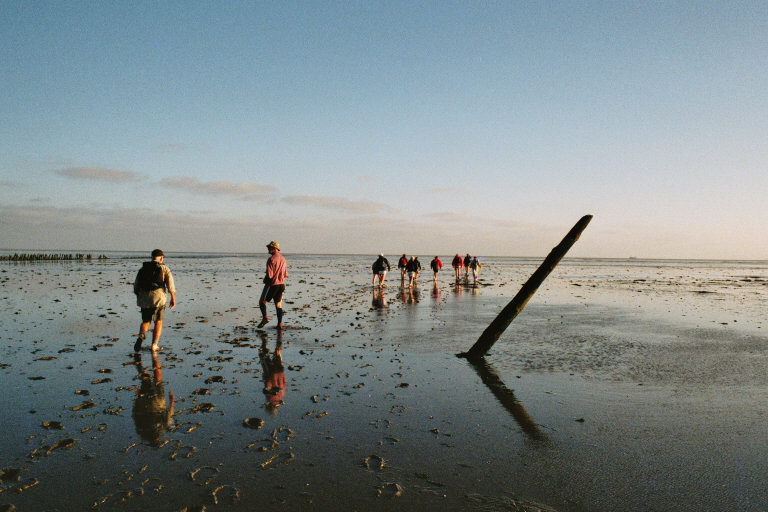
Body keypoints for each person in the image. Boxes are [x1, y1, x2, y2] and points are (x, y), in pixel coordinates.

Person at [134, 249, 176, 352]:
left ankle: (141, 335)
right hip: (158, 297)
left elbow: (136, 286)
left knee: (146, 321)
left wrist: (139, 296)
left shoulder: (142, 269)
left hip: (144, 298)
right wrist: (172, 298)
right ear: (161, 258)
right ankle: (154, 345)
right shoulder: (164, 268)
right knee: (158, 321)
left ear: (152, 257)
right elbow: (170, 285)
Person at [131, 351, 174, 445]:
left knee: (148, 378)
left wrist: (137, 399)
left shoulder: (142, 430)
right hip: (158, 402)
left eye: (156, 438)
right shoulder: (163, 428)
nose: (157, 436)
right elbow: (169, 414)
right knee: (156, 376)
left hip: (147, 403)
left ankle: (140, 360)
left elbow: (135, 415)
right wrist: (171, 400)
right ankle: (152, 357)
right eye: (158, 438)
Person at [258, 241, 287, 329]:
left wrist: (265, 280)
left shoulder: (271, 259)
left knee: (262, 301)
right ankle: (279, 325)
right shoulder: (283, 259)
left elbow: (270, 275)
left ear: (274, 249)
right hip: (281, 284)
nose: (268, 249)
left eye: (269, 248)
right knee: (278, 305)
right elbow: (285, 274)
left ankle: (265, 318)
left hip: (272, 284)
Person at [259, 330, 285, 413]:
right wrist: (266, 380)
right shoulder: (270, 398)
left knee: (277, 358)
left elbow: (284, 383)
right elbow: (268, 385)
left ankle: (278, 343)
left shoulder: (281, 396)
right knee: (263, 357)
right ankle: (264, 341)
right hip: (271, 373)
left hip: (280, 372)